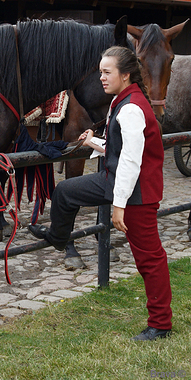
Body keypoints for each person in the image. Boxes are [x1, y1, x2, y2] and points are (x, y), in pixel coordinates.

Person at [28, 46, 172, 341]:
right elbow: (123, 150)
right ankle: (58, 237)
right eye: (101, 72)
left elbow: (132, 160)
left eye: (107, 72)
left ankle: (160, 325)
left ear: (126, 75)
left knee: (150, 259)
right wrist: (95, 142)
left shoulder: (131, 108)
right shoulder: (124, 100)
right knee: (66, 191)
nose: (102, 78)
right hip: (117, 180)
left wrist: (118, 206)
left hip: (135, 191)